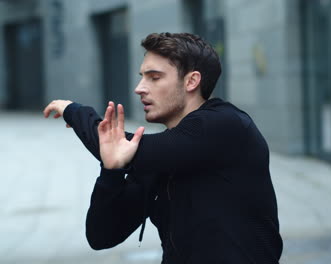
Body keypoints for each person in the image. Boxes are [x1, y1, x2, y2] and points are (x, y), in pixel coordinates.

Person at [43, 32, 282, 264]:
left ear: (191, 81)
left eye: (154, 77)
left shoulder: (225, 124)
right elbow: (101, 235)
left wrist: (74, 111)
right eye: (142, 76)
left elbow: (119, 144)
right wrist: (111, 171)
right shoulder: (161, 156)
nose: (139, 88)